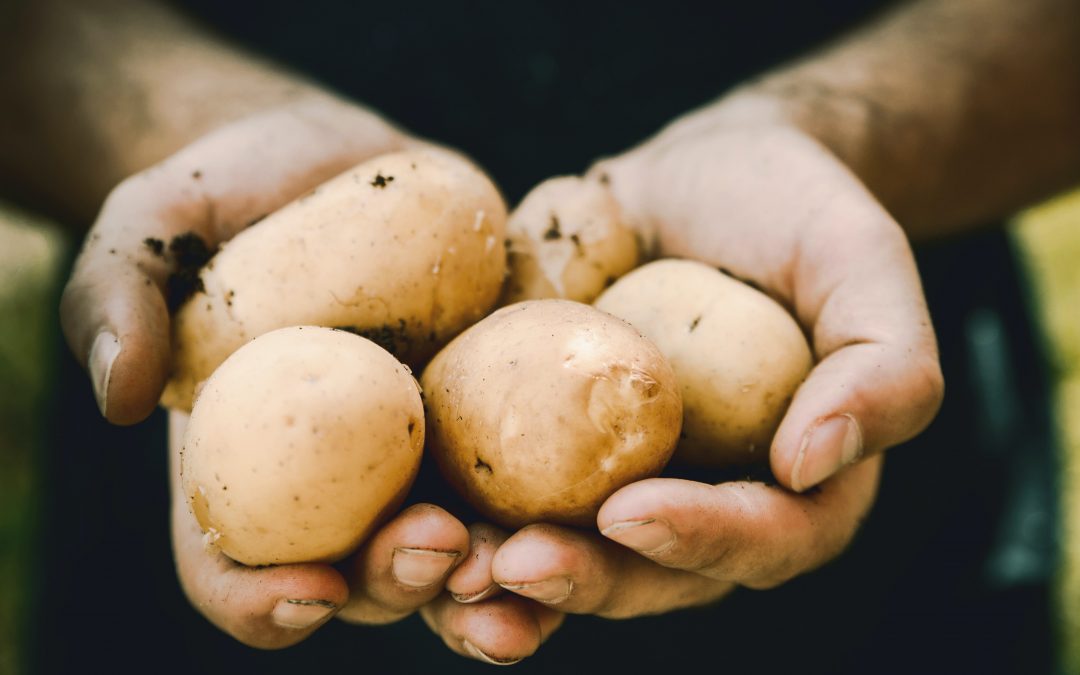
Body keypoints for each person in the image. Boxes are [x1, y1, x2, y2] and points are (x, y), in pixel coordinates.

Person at [1, 0, 1075, 672]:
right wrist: (177, 140)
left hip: (866, 491)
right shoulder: (240, 340)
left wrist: (832, 134)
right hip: (178, 489)